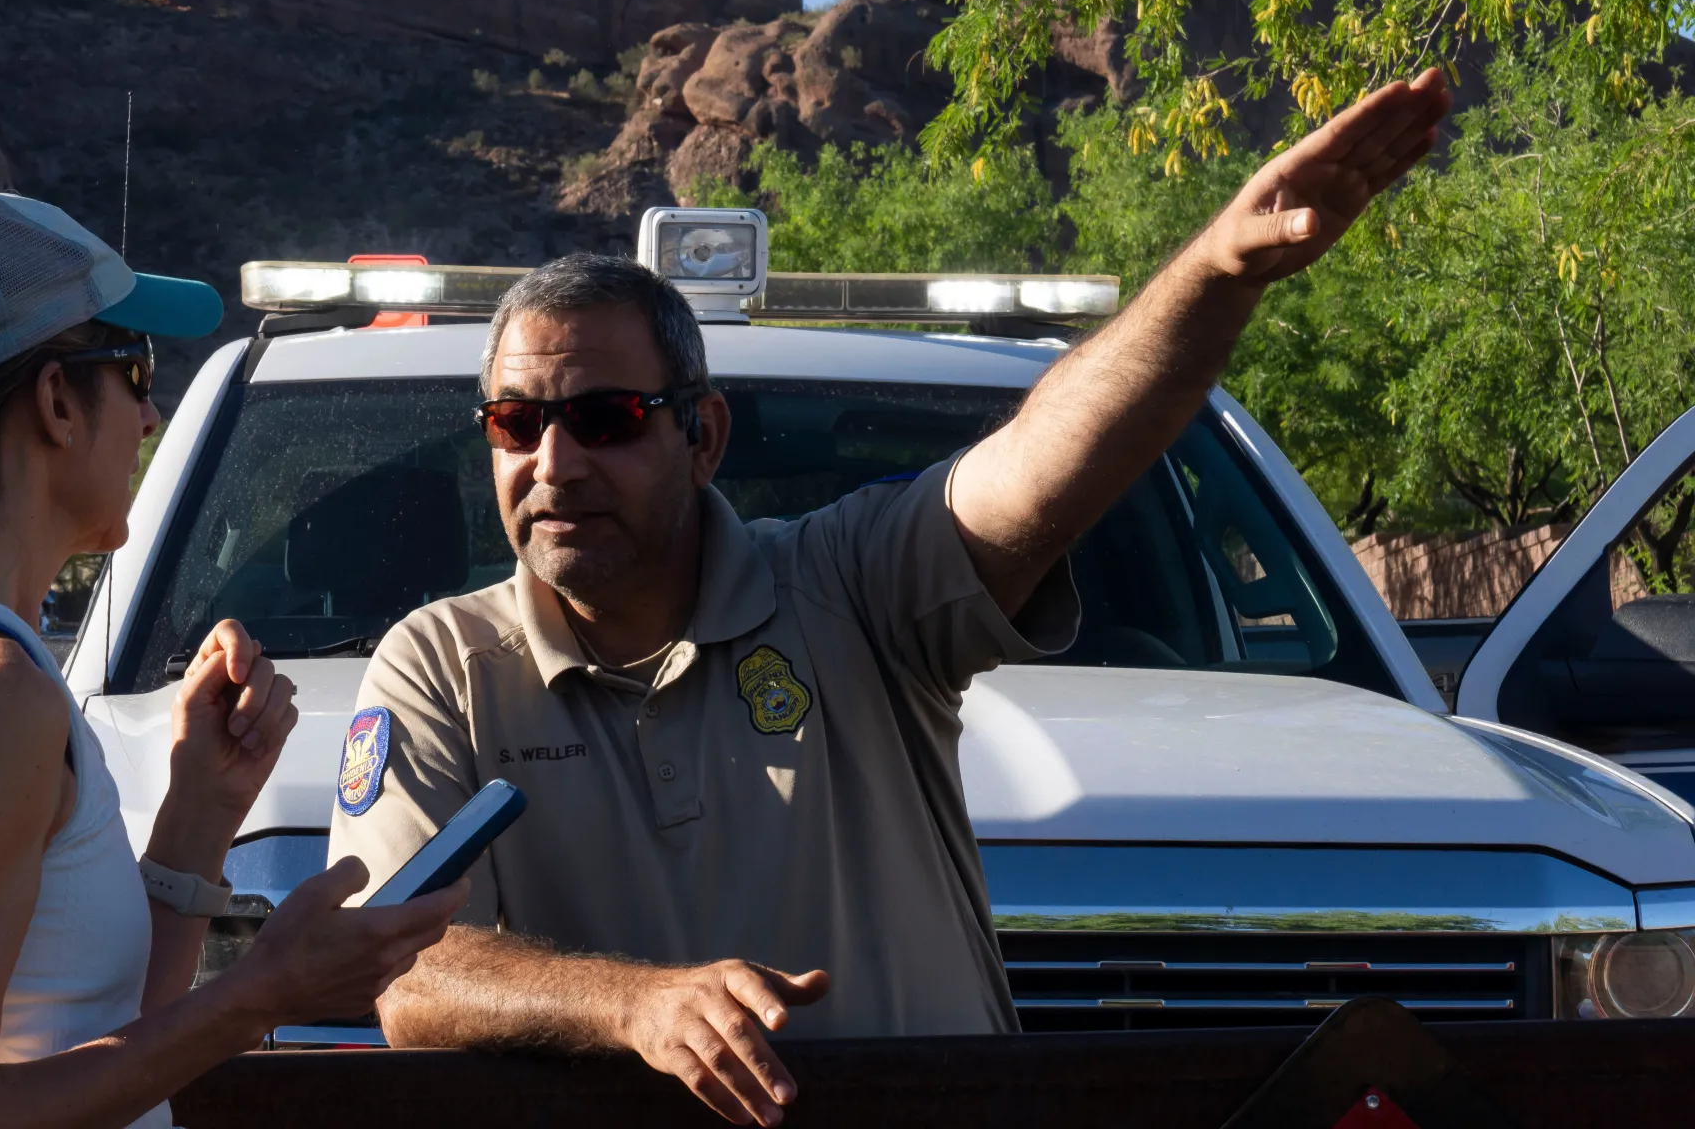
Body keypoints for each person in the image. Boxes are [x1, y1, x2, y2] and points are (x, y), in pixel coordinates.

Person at [326, 72, 1456, 1125]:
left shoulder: (851, 584)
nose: (555, 463)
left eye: (608, 419)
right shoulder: (437, 668)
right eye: (516, 424)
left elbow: (1041, 464)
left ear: (700, 436)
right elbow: (401, 970)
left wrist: (1215, 272)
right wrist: (639, 1006)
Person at [0, 190, 465, 1128]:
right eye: (137, 372)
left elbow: (94, 1034)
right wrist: (267, 995)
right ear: (58, 400)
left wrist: (200, 812)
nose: (149, 418)